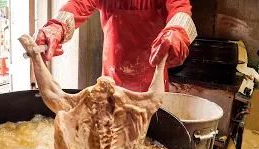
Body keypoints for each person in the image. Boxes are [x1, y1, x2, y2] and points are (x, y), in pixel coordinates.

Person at [36, 0, 197, 92]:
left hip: (152, 88)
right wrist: (57, 26)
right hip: (111, 85)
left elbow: (180, 11)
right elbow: (78, 4)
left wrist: (176, 33)